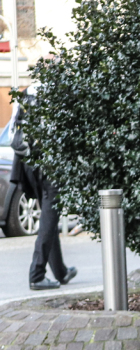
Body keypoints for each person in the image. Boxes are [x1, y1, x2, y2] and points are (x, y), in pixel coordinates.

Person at [9, 98, 75, 291]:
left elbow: (13, 131)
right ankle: (37, 274)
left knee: (49, 215)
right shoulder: (56, 92)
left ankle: (61, 271)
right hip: (49, 165)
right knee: (49, 217)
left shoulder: (26, 94)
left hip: (28, 163)